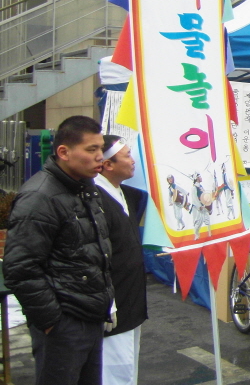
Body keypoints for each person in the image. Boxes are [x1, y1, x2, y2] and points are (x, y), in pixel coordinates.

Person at [3, 116, 114, 385]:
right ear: (64, 152)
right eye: (91, 149)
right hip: (64, 325)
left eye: (100, 148)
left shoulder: (85, 187)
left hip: (90, 316)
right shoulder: (39, 197)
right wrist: (52, 322)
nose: (100, 157)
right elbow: (20, 268)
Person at [93, 136, 148, 385]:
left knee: (128, 368)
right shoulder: (95, 199)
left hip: (130, 297)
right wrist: (106, 301)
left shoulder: (126, 194)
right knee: (113, 371)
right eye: (126, 155)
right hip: (112, 302)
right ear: (108, 164)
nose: (132, 161)